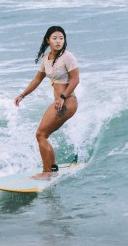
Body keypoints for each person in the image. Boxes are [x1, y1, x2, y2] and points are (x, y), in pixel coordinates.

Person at [14, 25, 79, 178]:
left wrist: (62, 97)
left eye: (61, 38)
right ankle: (52, 168)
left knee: (41, 134)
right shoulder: (46, 58)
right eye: (54, 38)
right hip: (59, 102)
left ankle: (47, 172)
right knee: (42, 135)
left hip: (68, 101)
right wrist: (23, 95)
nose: (58, 41)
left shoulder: (68, 57)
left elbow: (75, 80)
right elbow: (37, 79)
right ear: (47, 40)